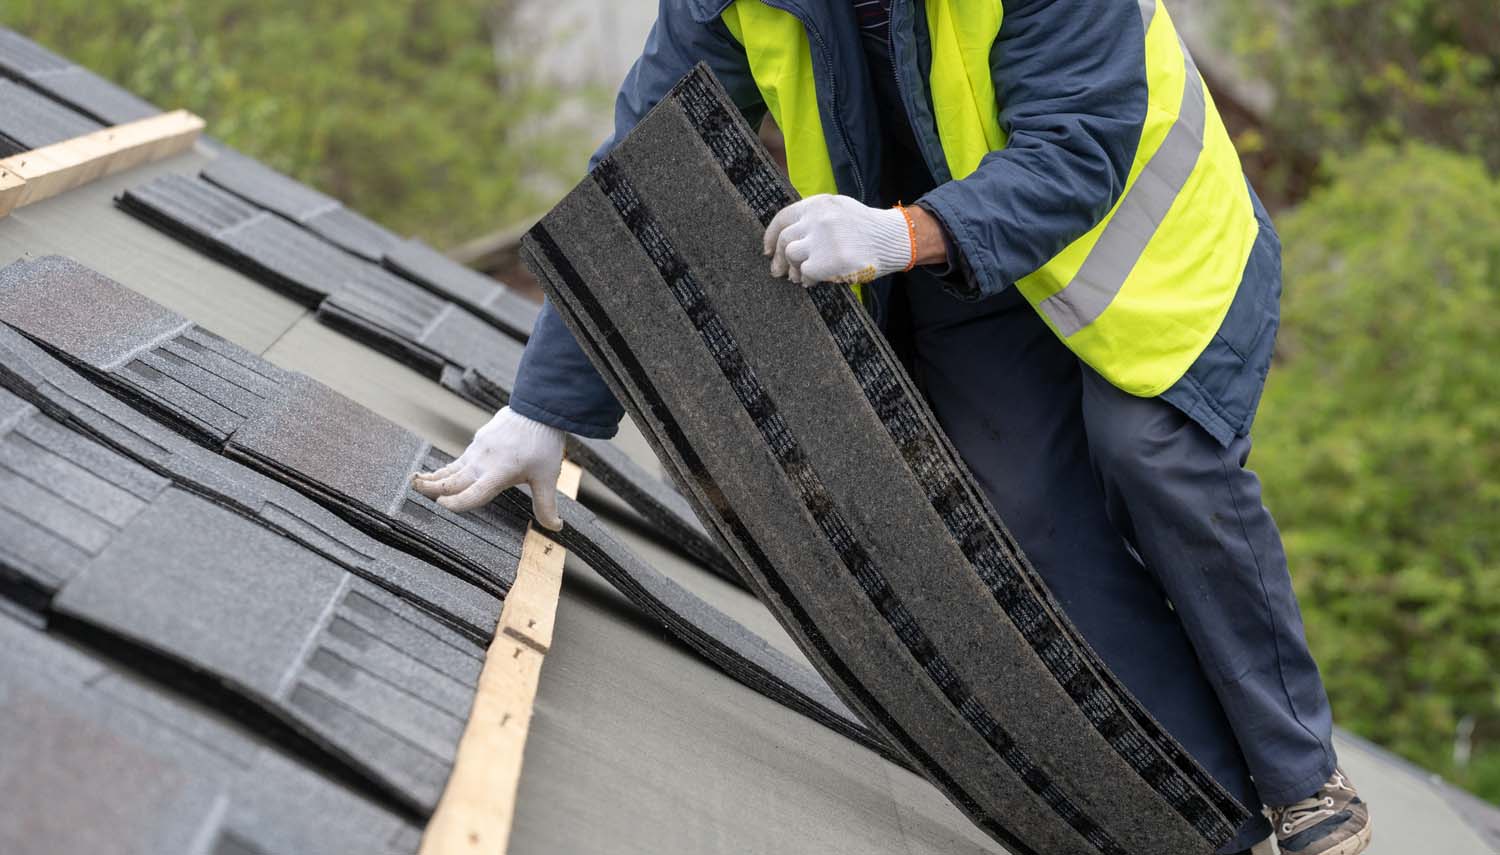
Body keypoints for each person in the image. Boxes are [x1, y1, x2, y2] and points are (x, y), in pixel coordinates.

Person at [414, 2, 1373, 853]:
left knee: (1149, 454)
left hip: (1149, 250)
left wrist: (897, 237)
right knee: (1023, 524)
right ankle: (1206, 811)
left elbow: (1082, 145)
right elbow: (639, 164)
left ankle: (1304, 779)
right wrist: (546, 406)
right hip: (963, 265)